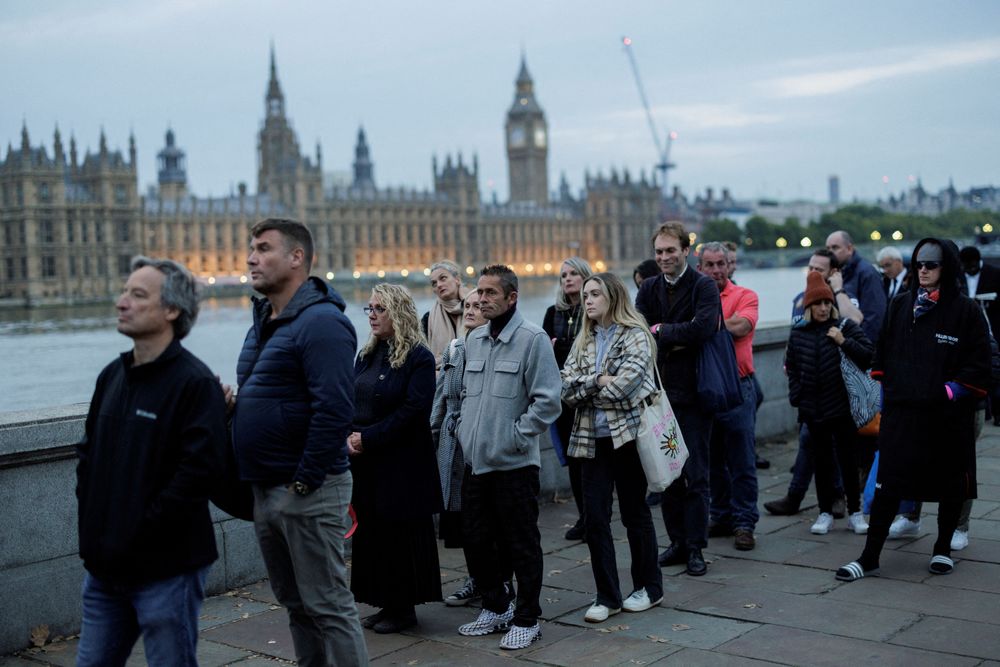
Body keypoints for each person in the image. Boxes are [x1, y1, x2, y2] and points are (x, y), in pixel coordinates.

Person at [75, 257, 228, 666]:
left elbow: (198, 476)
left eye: (137, 295)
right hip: (105, 569)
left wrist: (136, 533)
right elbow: (88, 458)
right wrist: (93, 534)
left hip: (166, 569)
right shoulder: (111, 375)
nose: (121, 302)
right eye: (124, 291)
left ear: (171, 311)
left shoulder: (195, 384)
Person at [230, 218, 368, 665]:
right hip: (268, 488)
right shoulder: (266, 321)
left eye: (263, 248)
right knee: (297, 607)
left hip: (308, 489)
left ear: (297, 258)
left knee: (329, 606)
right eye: (251, 248)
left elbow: (334, 410)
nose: (251, 257)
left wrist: (304, 484)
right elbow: (278, 396)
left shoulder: (323, 322)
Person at [837, 238, 990, 581]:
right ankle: (870, 556)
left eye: (931, 264)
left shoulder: (966, 311)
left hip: (947, 418)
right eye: (919, 263)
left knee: (951, 485)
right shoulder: (901, 304)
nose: (923, 269)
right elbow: (882, 350)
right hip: (904, 414)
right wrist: (886, 385)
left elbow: (981, 364)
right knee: (889, 485)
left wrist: (950, 392)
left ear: (946, 267)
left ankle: (942, 550)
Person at [456, 264, 562, 650]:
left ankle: (527, 617)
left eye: (489, 293)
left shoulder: (533, 339)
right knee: (477, 540)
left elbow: (549, 401)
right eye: (479, 292)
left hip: (514, 464)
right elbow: (468, 396)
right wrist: (462, 430)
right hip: (476, 462)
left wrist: (516, 437)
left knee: (521, 544)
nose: (481, 299)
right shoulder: (474, 339)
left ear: (511, 298)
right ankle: (497, 605)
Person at [561, 272, 663, 623]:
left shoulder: (636, 335)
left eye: (594, 294)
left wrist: (588, 387)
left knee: (635, 514)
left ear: (613, 297)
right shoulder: (583, 339)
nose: (587, 300)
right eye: (585, 294)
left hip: (628, 439)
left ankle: (649, 587)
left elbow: (625, 388)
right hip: (591, 440)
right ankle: (607, 596)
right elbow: (566, 389)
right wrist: (598, 380)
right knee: (595, 521)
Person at [349, 284, 443, 633]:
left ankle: (403, 609)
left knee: (398, 538)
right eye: (369, 308)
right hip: (368, 462)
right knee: (373, 535)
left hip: (402, 465)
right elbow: (351, 397)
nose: (371, 314)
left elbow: (414, 410)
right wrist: (348, 434)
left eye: (379, 309)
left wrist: (367, 437)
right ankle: (383, 602)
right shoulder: (367, 354)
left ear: (398, 313)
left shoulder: (418, 357)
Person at [636, 221, 721, 577]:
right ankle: (676, 542)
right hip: (660, 396)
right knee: (666, 473)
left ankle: (696, 547)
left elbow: (703, 329)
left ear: (687, 251)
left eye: (671, 250)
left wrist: (661, 331)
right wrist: (672, 334)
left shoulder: (704, 286)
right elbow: (639, 330)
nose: (664, 257)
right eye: (659, 252)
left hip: (695, 393)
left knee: (695, 474)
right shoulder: (650, 287)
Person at [431, 291, 513, 606]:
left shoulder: (491, 351)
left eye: (478, 306)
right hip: (453, 445)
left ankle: (498, 582)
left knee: (486, 520)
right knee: (464, 520)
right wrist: (434, 432)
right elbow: (442, 396)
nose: (470, 310)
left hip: (479, 442)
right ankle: (477, 579)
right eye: (467, 305)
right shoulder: (455, 348)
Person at [766, 248, 859, 517]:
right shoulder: (801, 299)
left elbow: (855, 323)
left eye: (819, 269)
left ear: (833, 273)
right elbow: (796, 339)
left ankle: (825, 498)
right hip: (810, 393)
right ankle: (816, 499)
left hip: (838, 394)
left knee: (828, 448)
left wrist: (839, 292)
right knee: (814, 445)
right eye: (810, 267)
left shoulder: (841, 297)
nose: (812, 273)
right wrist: (796, 390)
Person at [785, 271, 873, 536]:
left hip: (843, 408)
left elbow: (869, 356)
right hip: (813, 409)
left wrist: (843, 342)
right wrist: (797, 396)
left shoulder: (845, 327)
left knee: (848, 462)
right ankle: (824, 512)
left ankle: (855, 512)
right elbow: (792, 367)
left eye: (827, 303)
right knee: (822, 464)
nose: (823, 308)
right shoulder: (798, 333)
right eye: (818, 304)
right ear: (809, 307)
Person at [698, 243, 760, 551]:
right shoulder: (694, 296)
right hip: (706, 390)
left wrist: (701, 325)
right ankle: (721, 516)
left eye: (720, 263)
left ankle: (744, 522)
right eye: (709, 265)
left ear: (729, 265)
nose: (716, 270)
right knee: (712, 462)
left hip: (738, 387)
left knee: (742, 460)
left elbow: (742, 325)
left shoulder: (745, 296)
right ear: (700, 268)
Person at [542, 256, 593, 541]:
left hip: (587, 396)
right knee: (573, 460)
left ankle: (596, 516)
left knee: (591, 461)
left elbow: (585, 349)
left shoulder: (594, 309)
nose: (568, 279)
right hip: (563, 397)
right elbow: (544, 349)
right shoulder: (553, 312)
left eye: (574, 274)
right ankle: (584, 517)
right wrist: (563, 347)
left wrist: (558, 345)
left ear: (586, 278)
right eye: (563, 275)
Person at [826, 230, 886, 344]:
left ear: (849, 249)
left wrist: (861, 349)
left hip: (860, 350)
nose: (830, 252)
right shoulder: (836, 274)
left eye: (835, 248)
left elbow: (875, 318)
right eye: (828, 249)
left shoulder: (867, 273)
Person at [422, 259, 469, 368]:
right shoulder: (428, 319)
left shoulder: (478, 309)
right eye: (434, 283)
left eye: (443, 278)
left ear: (457, 279)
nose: (438, 285)